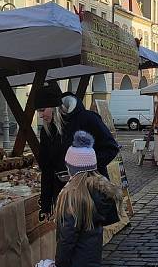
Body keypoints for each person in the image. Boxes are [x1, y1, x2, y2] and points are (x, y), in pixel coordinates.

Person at [55, 131, 122, 267]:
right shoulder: (98, 189)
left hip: (78, 259)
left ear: (71, 168)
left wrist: (61, 263)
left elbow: (67, 235)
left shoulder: (74, 196)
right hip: (93, 255)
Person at [36, 83, 119, 220]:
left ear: (55, 106)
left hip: (89, 192)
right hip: (64, 195)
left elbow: (110, 148)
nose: (40, 115)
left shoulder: (87, 119)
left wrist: (86, 167)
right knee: (66, 236)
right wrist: (45, 204)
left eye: (42, 109)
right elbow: (47, 169)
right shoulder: (47, 131)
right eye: (38, 111)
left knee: (89, 236)